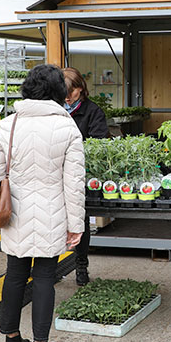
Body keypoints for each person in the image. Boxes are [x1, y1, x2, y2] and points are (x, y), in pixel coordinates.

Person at [0, 64, 85, 342]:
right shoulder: (67, 127)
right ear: (59, 92)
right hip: (53, 212)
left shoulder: (7, 125)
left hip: (14, 212)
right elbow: (74, 183)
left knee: (14, 274)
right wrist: (76, 224)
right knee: (44, 278)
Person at [63, 66, 109, 286]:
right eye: (63, 93)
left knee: (80, 219)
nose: (67, 97)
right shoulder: (55, 109)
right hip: (55, 173)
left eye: (71, 92)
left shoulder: (93, 112)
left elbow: (100, 144)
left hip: (80, 174)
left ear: (80, 88)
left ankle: (81, 264)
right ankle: (47, 265)